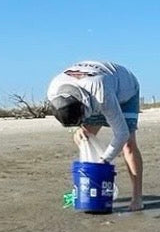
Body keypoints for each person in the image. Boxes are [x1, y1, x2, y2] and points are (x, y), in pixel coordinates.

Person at [47, 60, 144, 211]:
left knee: (128, 145)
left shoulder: (101, 92)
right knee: (83, 136)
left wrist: (104, 160)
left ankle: (137, 197)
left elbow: (122, 133)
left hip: (125, 90)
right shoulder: (54, 90)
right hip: (90, 93)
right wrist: (78, 129)